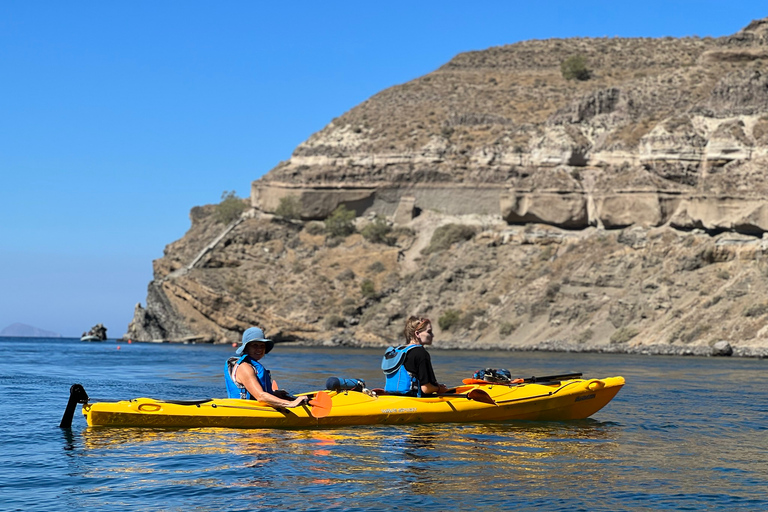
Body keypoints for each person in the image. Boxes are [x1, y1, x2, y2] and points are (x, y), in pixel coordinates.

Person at [225, 326, 308, 408]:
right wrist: (290, 403)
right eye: (255, 345)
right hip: (244, 410)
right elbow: (260, 397)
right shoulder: (244, 368)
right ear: (246, 348)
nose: (259, 349)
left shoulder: (251, 365)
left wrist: (273, 394)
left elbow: (254, 393)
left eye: (262, 346)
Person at [381, 316, 448, 396]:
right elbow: (426, 388)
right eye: (429, 332)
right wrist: (440, 389)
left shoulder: (397, 351)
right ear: (417, 334)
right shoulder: (421, 353)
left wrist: (436, 386)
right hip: (413, 399)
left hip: (393, 397)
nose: (432, 335)